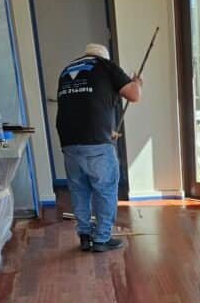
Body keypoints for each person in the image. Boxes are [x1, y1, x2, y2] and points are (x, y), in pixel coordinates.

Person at [56, 43, 142, 252]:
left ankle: (85, 236)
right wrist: (137, 82)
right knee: (105, 190)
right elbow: (134, 95)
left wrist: (107, 131)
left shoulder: (67, 71)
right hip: (95, 143)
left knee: (79, 190)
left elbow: (87, 104)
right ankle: (102, 239)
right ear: (104, 56)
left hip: (69, 142)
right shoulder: (106, 65)